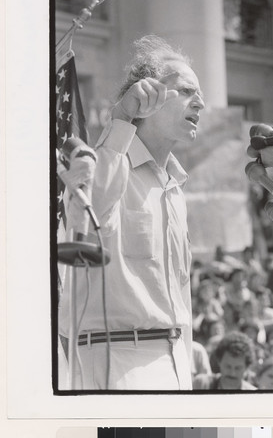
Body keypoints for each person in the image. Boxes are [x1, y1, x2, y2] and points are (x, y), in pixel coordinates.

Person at [58, 35, 205, 390]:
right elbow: (87, 204)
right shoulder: (110, 162)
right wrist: (122, 118)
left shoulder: (175, 187)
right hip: (118, 363)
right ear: (148, 93)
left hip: (175, 367)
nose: (200, 103)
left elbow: (179, 295)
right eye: (186, 91)